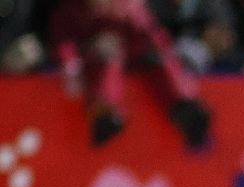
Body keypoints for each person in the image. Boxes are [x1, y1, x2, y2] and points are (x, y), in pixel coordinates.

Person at [50, 0, 214, 148]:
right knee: (109, 57)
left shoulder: (126, 5)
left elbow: (149, 33)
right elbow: (64, 43)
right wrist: (74, 63)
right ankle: (105, 114)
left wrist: (151, 47)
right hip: (96, 63)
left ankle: (185, 108)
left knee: (158, 62)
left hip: (135, 58)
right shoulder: (70, 10)